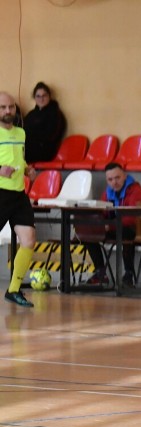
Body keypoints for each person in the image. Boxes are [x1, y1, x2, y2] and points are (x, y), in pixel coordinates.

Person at [80, 163, 141, 287]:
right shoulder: (108, 193)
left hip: (138, 229)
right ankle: (100, 273)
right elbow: (102, 213)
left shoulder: (136, 191)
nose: (114, 182)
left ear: (124, 176)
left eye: (117, 178)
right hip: (116, 227)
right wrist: (99, 225)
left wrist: (108, 226)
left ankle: (129, 274)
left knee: (125, 232)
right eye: (110, 179)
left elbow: (132, 218)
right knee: (88, 234)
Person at [0, 92, 38, 307]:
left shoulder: (21, 133)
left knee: (29, 239)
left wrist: (27, 170)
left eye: (11, 107)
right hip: (1, 192)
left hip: (18, 194)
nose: (8, 111)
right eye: (3, 107)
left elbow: (20, 160)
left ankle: (14, 289)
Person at [23, 82, 67, 164]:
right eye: (38, 96)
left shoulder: (55, 113)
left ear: (49, 96)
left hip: (45, 151)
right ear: (34, 98)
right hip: (29, 149)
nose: (41, 99)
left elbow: (51, 136)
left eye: (44, 95)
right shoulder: (31, 114)